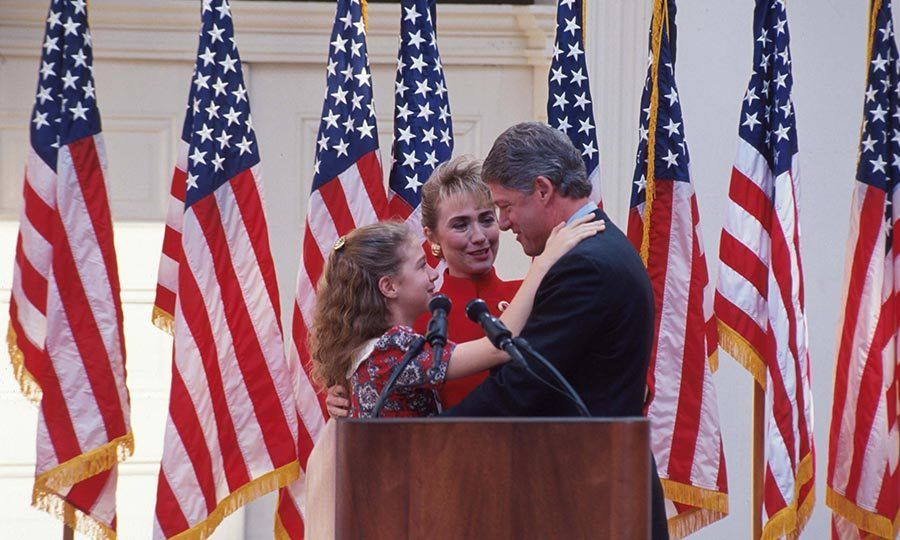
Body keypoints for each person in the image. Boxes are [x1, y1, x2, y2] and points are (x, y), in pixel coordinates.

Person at [442, 122, 669, 539]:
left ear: (543, 190)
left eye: (506, 206)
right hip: (592, 491)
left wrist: (426, 440)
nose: (505, 224)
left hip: (593, 498)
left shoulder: (585, 266)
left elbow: (525, 385)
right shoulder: (594, 248)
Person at [309, 217, 603, 418]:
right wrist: (543, 263)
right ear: (389, 286)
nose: (433, 273)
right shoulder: (393, 347)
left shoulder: (376, 347)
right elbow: (495, 348)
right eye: (422, 266)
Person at [323, 156, 527, 415]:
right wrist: (340, 400)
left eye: (487, 220)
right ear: (431, 235)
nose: (479, 237)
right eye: (461, 224)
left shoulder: (528, 296)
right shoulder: (415, 316)